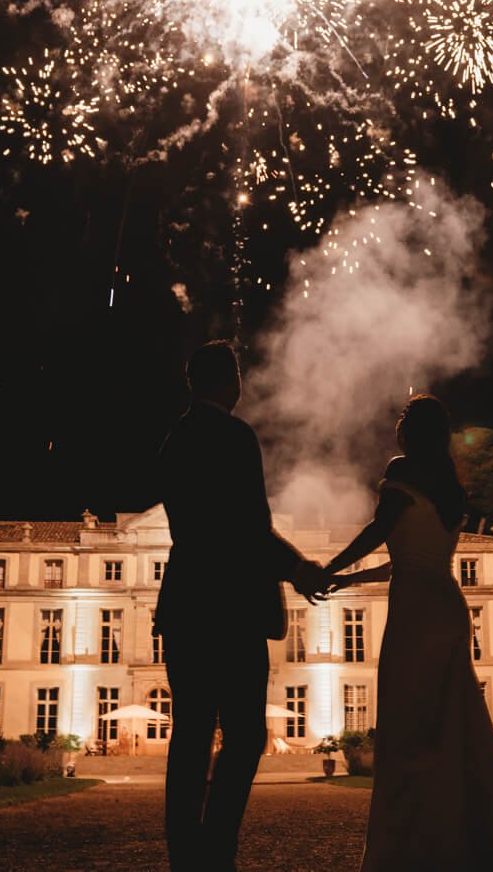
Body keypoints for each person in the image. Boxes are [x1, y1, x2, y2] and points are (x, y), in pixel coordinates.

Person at [322, 395, 493, 870]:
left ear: (412, 430)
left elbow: (379, 532)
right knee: (451, 726)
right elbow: (406, 559)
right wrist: (349, 581)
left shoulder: (401, 470)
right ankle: (464, 839)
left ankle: (410, 847)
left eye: (402, 418)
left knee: (407, 728)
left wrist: (329, 568)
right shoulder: (450, 485)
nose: (397, 426)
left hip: (416, 612)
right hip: (446, 605)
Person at [155, 341, 332, 871]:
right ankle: (217, 846)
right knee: (247, 734)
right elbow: (250, 526)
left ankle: (187, 852)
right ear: (224, 380)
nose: (242, 381)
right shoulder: (234, 436)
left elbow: (202, 526)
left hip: (186, 608)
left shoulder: (174, 440)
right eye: (236, 372)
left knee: (189, 733)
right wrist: (298, 567)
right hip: (231, 611)